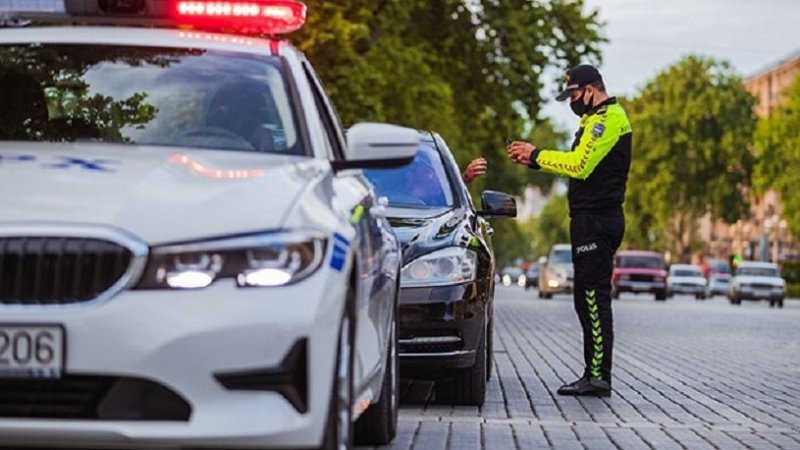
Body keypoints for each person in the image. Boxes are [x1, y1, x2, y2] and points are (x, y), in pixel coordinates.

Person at [507, 64, 632, 397]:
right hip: (588, 220)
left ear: (590, 90)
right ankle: (593, 373)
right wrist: (535, 160)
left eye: (574, 95)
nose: (572, 102)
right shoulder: (595, 119)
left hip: (598, 220)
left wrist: (537, 154)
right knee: (584, 299)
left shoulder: (607, 120)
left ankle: (598, 377)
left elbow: (580, 164)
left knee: (593, 297)